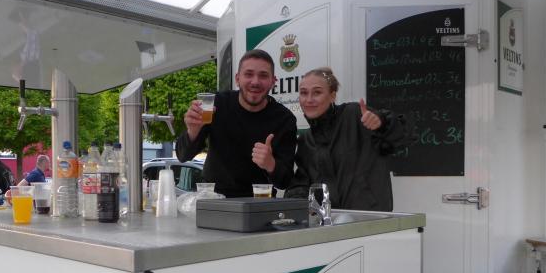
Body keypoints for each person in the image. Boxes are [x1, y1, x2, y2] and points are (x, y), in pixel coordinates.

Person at [175, 49, 297, 197]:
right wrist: (193, 131)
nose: (255, 82)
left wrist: (270, 164)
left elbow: (285, 181)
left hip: (258, 201)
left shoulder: (284, 119)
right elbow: (183, 156)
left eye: (263, 75)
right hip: (214, 199)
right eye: (249, 74)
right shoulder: (216, 104)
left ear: (273, 82)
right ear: (237, 79)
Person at [284, 67, 409, 211]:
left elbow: (402, 135)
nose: (309, 99)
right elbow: (301, 184)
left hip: (369, 219)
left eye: (317, 92)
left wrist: (382, 123)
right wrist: (295, 203)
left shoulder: (354, 115)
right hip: (329, 221)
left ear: (332, 96)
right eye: (304, 93)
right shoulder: (306, 140)